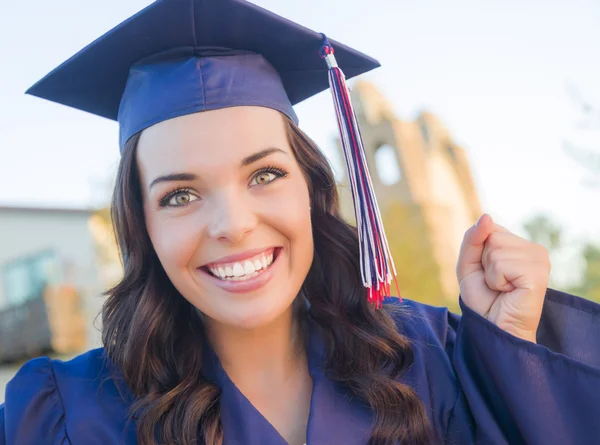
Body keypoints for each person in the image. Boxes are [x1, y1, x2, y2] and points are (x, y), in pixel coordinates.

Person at [2, 1, 600, 444]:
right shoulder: (66, 415)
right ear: (143, 228)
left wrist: (512, 357)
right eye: (180, 195)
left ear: (313, 189)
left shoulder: (430, 359)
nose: (233, 225)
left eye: (264, 175)